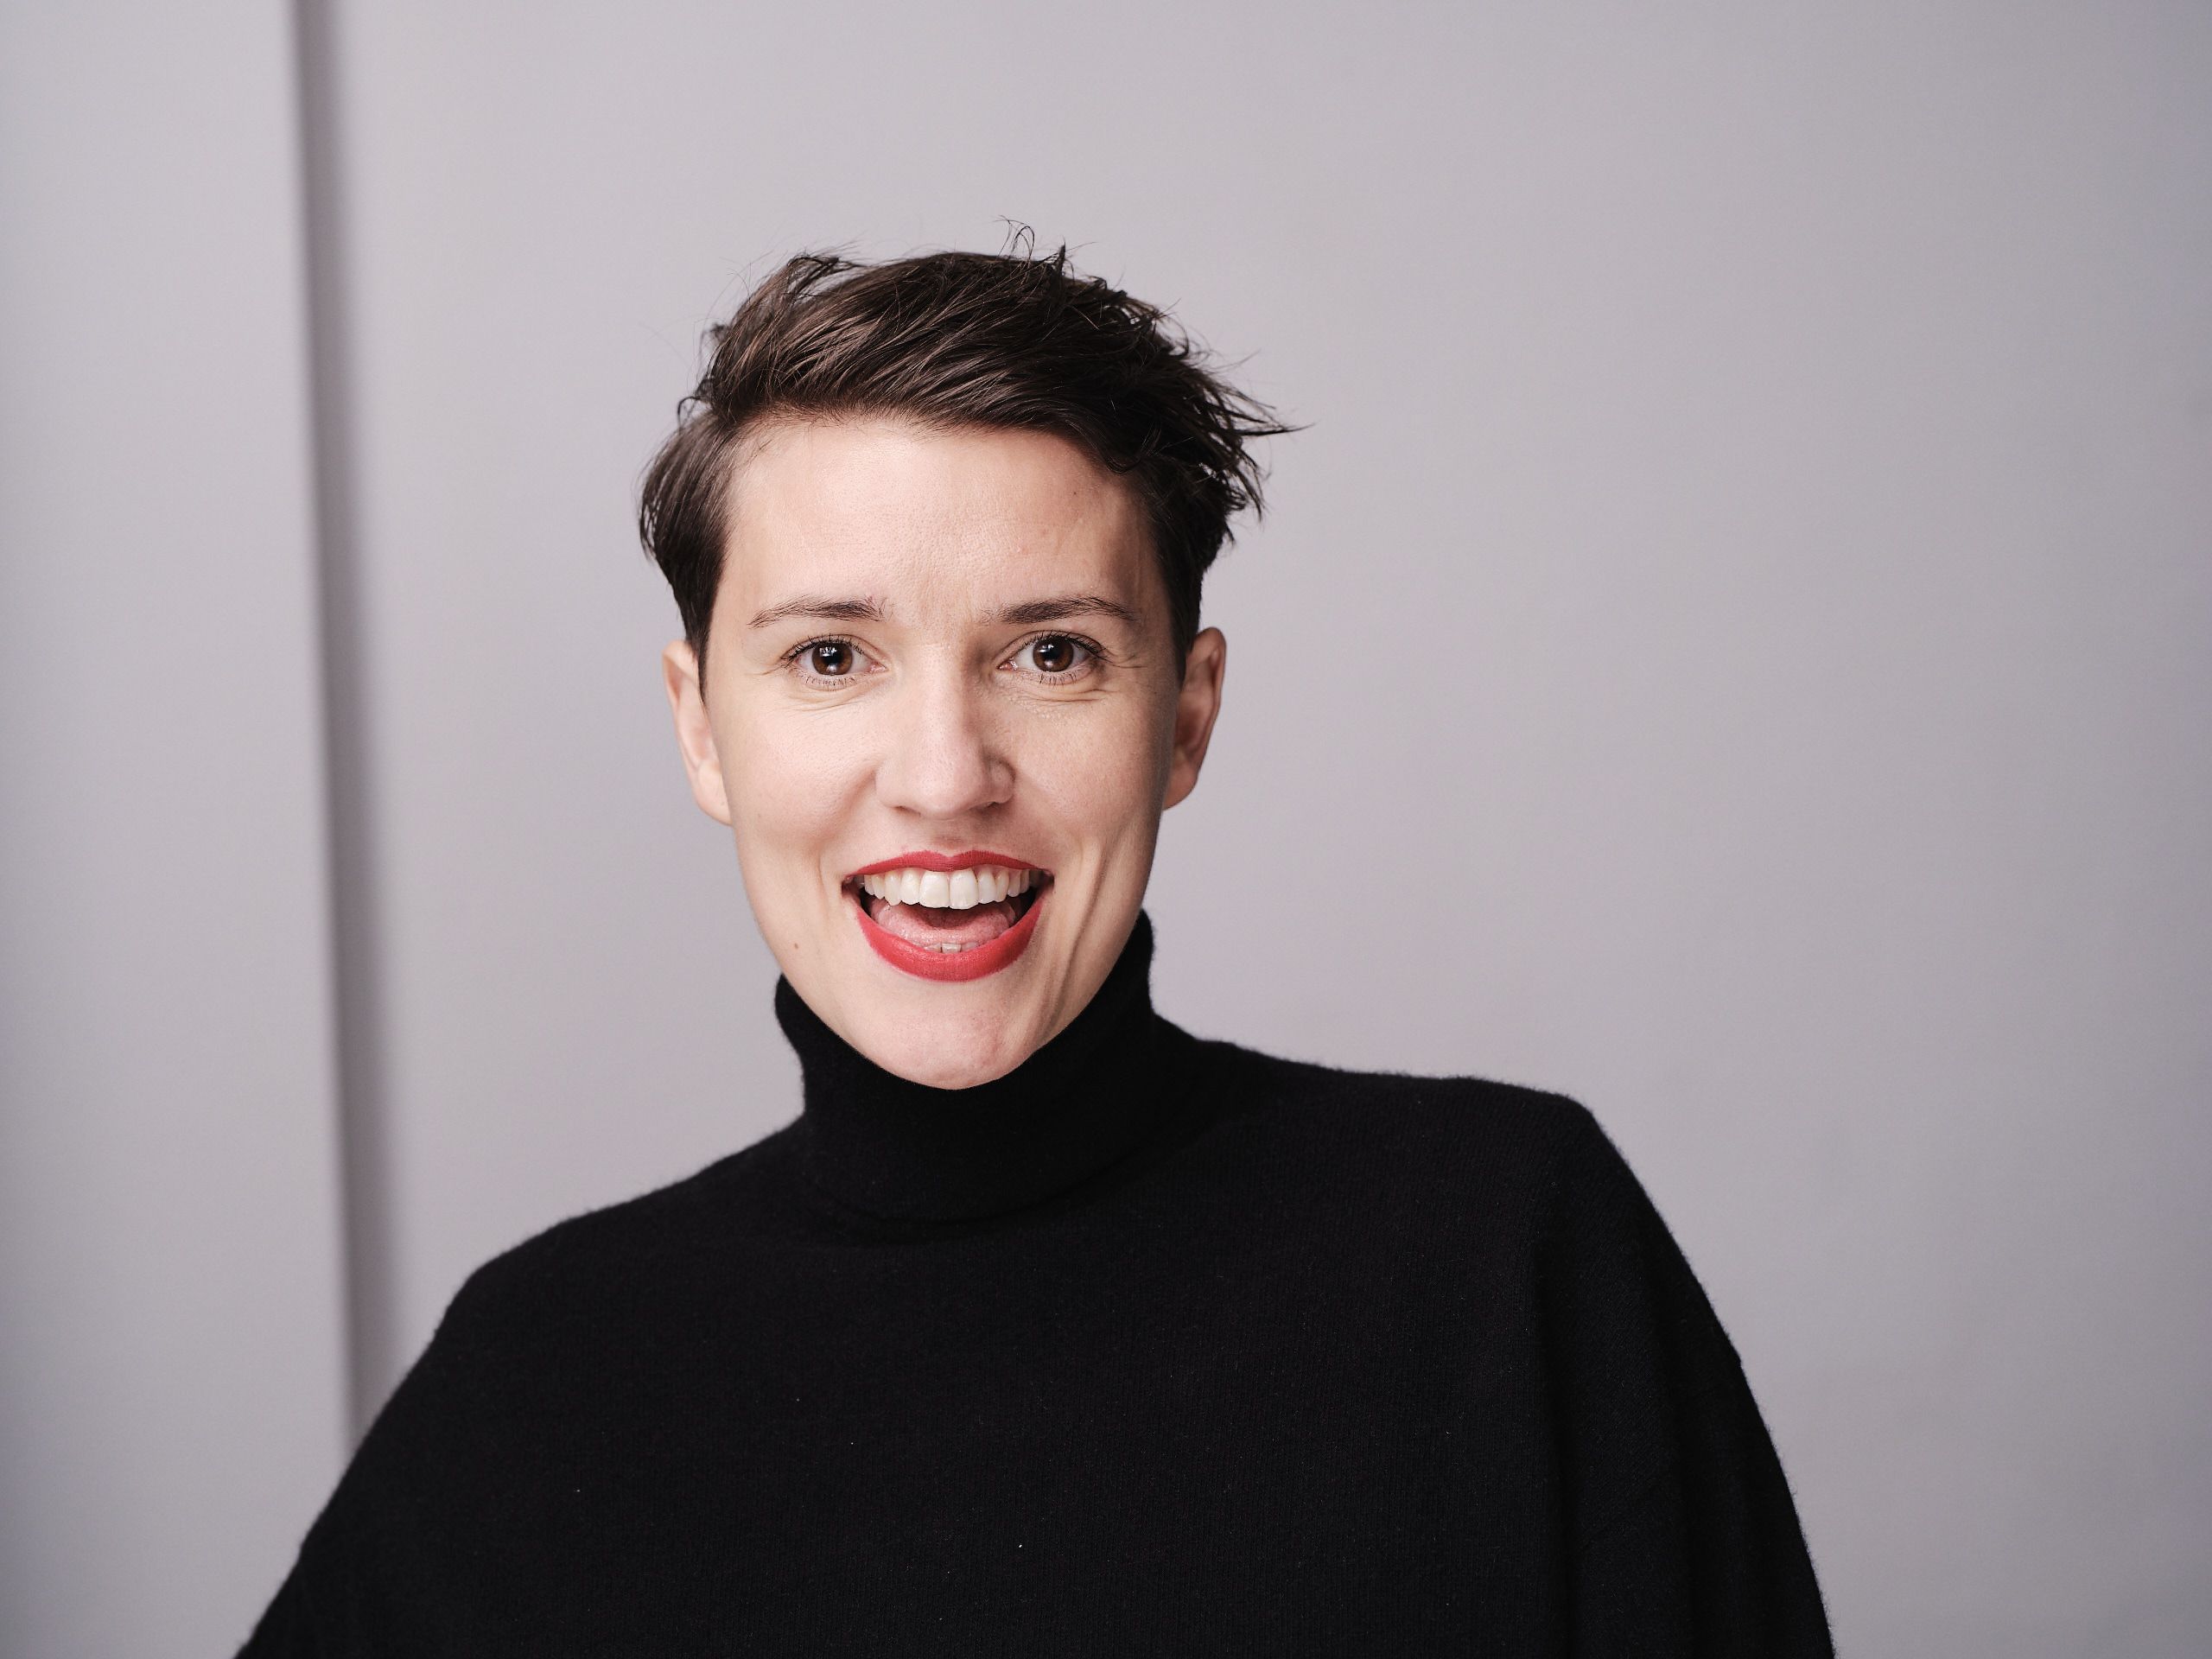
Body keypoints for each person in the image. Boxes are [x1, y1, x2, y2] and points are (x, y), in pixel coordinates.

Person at [242, 245, 1833, 1654]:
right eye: (832, 657)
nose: (946, 776)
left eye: (1053, 653)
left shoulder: (1505, 1256)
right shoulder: (539, 1380)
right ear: (701, 727)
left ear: (1185, 718)